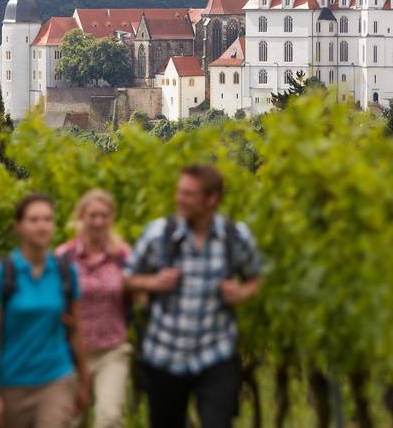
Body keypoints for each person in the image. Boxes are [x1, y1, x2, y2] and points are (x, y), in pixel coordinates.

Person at [125, 164, 263, 428]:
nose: (180, 199)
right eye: (180, 192)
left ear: (211, 199)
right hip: (165, 354)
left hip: (215, 354)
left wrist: (242, 292)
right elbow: (127, 277)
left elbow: (256, 277)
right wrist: (153, 283)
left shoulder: (235, 238)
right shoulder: (158, 234)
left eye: (189, 194)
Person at [0, 193, 89, 428]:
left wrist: (84, 382)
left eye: (48, 219)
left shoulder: (65, 272)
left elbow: (76, 329)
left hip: (56, 378)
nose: (42, 225)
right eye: (34, 219)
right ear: (18, 227)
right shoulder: (1, 274)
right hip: (11, 383)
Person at [55, 189, 133, 428]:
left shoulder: (123, 255)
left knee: (109, 417)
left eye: (104, 215)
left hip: (112, 350)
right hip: (69, 353)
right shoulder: (63, 256)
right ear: (81, 217)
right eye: (92, 215)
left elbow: (138, 294)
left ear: (112, 219)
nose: (98, 221)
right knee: (69, 420)